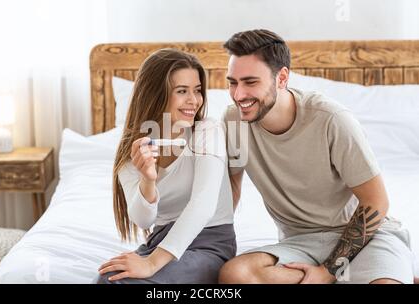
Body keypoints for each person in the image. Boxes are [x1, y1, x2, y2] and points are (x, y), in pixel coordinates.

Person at [219, 29, 415, 284]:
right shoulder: (233, 121)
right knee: (235, 275)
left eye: (250, 82)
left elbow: (376, 202)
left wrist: (327, 272)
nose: (238, 95)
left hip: (365, 237)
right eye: (232, 82)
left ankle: (377, 273)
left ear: (282, 78)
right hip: (301, 242)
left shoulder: (331, 119)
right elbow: (232, 187)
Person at [96, 48, 236, 284]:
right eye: (182, 91)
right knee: (109, 279)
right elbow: (143, 221)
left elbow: (203, 205)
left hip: (210, 244)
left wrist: (151, 263)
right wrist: (148, 180)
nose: (194, 100)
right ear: (155, 94)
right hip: (160, 242)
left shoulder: (207, 131)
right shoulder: (132, 154)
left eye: (197, 90)